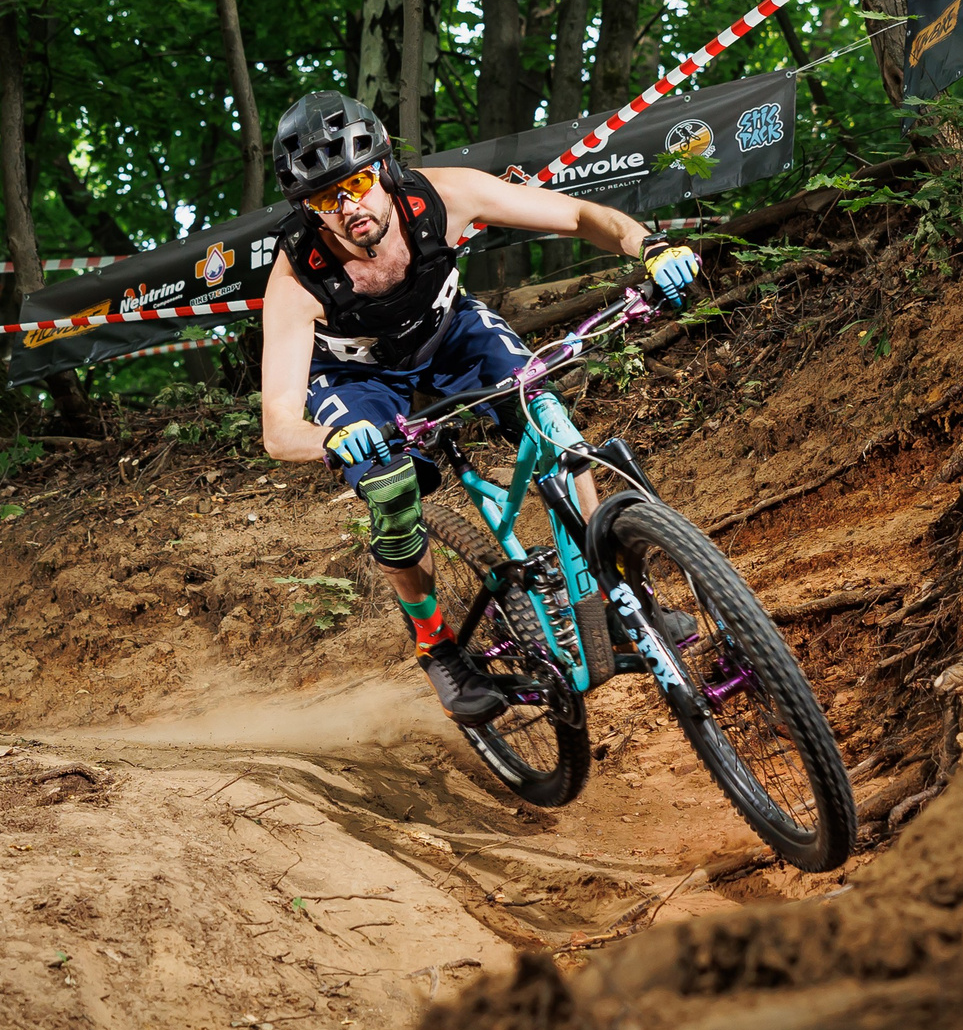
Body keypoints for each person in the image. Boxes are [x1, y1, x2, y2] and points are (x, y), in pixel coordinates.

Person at [256, 93, 702, 721]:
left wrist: (649, 246)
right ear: (308, 209)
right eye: (326, 198)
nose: (348, 206)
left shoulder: (445, 194)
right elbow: (278, 428)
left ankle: (616, 602)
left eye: (356, 182)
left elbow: (576, 216)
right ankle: (437, 649)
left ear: (382, 169)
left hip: (450, 334)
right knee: (388, 490)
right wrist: (332, 442)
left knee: (554, 427)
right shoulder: (296, 280)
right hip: (356, 376)